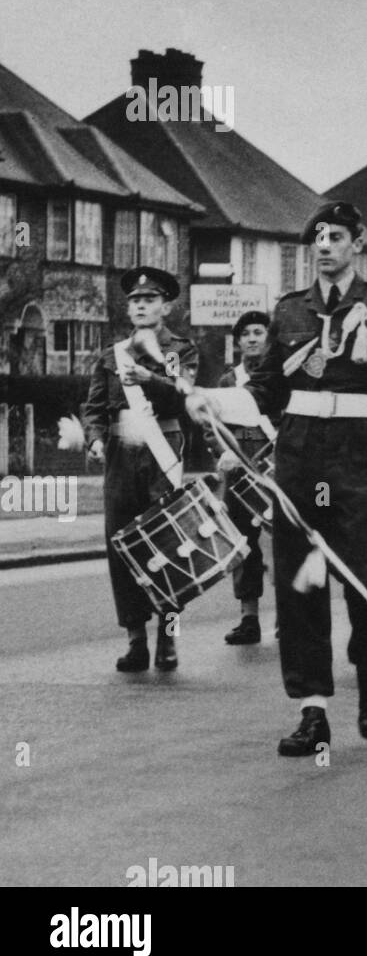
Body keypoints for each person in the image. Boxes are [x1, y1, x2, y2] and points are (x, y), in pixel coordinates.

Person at [206, 201, 367, 757]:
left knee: (365, 575)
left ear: (357, 243)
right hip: (301, 455)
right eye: (319, 238)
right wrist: (213, 400)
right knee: (300, 582)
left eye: (337, 236)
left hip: (358, 451)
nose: (326, 245)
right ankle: (312, 710)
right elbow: (265, 390)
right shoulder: (288, 312)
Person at [83, 267, 199, 674]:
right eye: (135, 300)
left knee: (166, 543)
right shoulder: (111, 354)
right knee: (121, 542)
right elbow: (95, 407)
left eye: (150, 300)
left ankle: (168, 636)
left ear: (166, 307)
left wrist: (151, 376)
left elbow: (186, 396)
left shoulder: (180, 350)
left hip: (162, 451)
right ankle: (135, 639)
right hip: (120, 453)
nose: (141, 306)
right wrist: (95, 437)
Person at [219, 309, 273, 646]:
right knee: (243, 545)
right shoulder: (229, 380)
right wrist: (222, 452)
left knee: (285, 545)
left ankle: (290, 616)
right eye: (246, 334)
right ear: (238, 342)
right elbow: (215, 425)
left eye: (258, 332)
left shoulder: (282, 376)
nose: (252, 339)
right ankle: (249, 617)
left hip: (277, 468)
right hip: (239, 471)